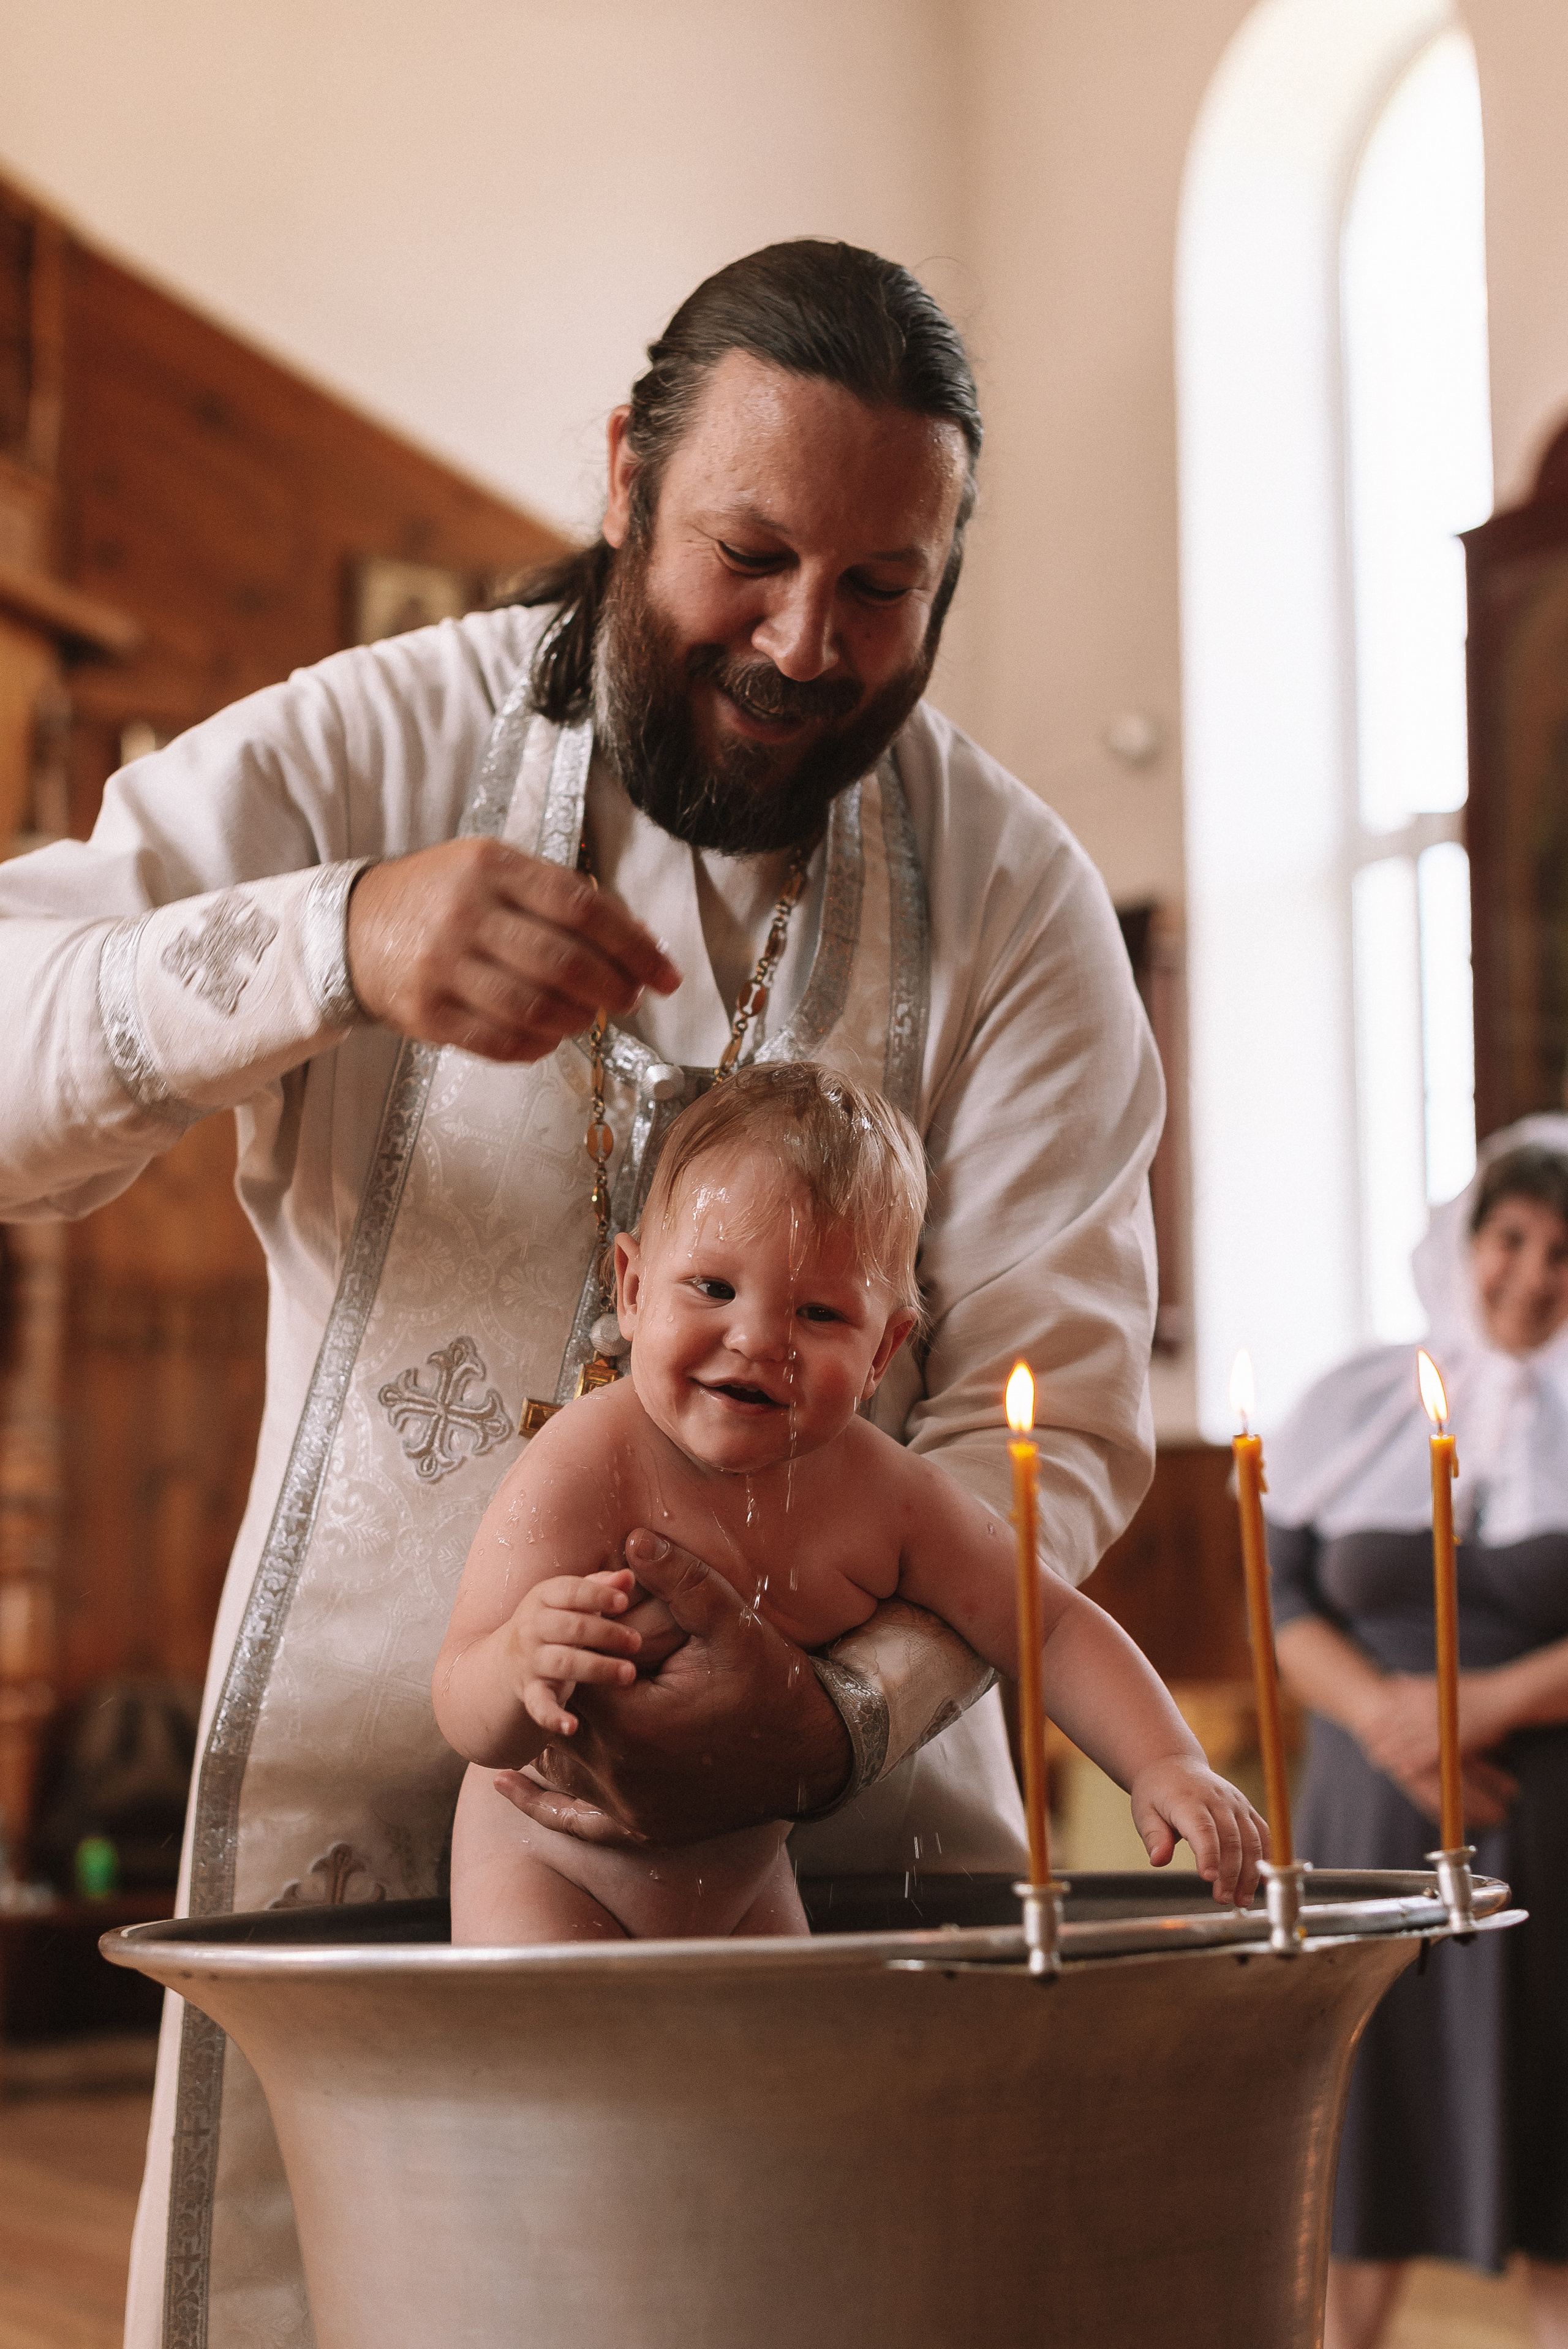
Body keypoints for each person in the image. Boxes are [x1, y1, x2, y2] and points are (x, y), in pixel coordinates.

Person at [0, 240, 1163, 2348]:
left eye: (888, 587)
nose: (813, 641)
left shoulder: (1015, 897)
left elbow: (1053, 1418)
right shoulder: (378, 742)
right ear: (627, 474)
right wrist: (332, 943)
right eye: (753, 550)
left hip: (857, 1870)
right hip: (375, 1873)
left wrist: (841, 1708)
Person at [439, 1065, 1263, 1943]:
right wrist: (517, 1658)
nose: (757, 1339)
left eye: (820, 1312)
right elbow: (460, 1696)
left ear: (884, 1350)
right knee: (565, 2079)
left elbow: (1046, 1622)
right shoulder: (589, 1460)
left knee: (787, 2077)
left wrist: (1165, 1759)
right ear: (633, 1288)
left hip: (746, 1889)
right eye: (712, 1287)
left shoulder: (884, 1496)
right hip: (550, 1865)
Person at [1266, 1117, 1568, 2349]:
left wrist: (1473, 1709)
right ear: (1464, 1237)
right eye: (1509, 1237)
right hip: (1363, 1810)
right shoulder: (1354, 1400)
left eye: (1563, 1251)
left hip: (1534, 1828)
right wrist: (1385, 1718)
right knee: (1363, 2145)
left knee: (1552, 2150)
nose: (1531, 1274)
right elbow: (1283, 1596)